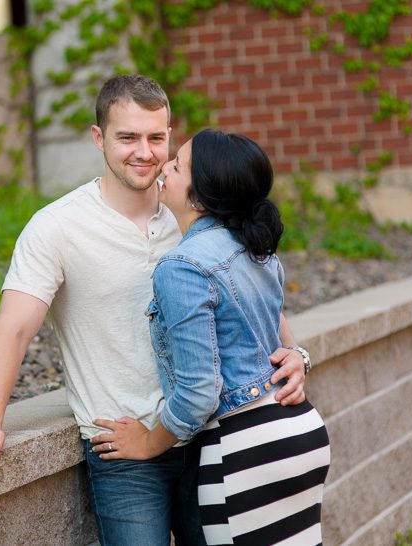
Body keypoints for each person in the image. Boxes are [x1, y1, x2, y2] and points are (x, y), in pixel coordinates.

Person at [0, 75, 309, 546]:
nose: (144, 152)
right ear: (99, 138)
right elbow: (14, 328)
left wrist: (295, 355)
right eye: (128, 137)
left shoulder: (193, 210)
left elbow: (253, 298)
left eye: (156, 138)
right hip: (124, 451)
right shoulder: (57, 226)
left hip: (211, 437)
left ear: (170, 136)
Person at [90, 129, 330, 545]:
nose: (164, 167)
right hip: (299, 431)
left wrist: (147, 444)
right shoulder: (252, 246)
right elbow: (278, 339)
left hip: (246, 450)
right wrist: (299, 355)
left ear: (199, 198)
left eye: (178, 166)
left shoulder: (182, 266)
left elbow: (200, 392)